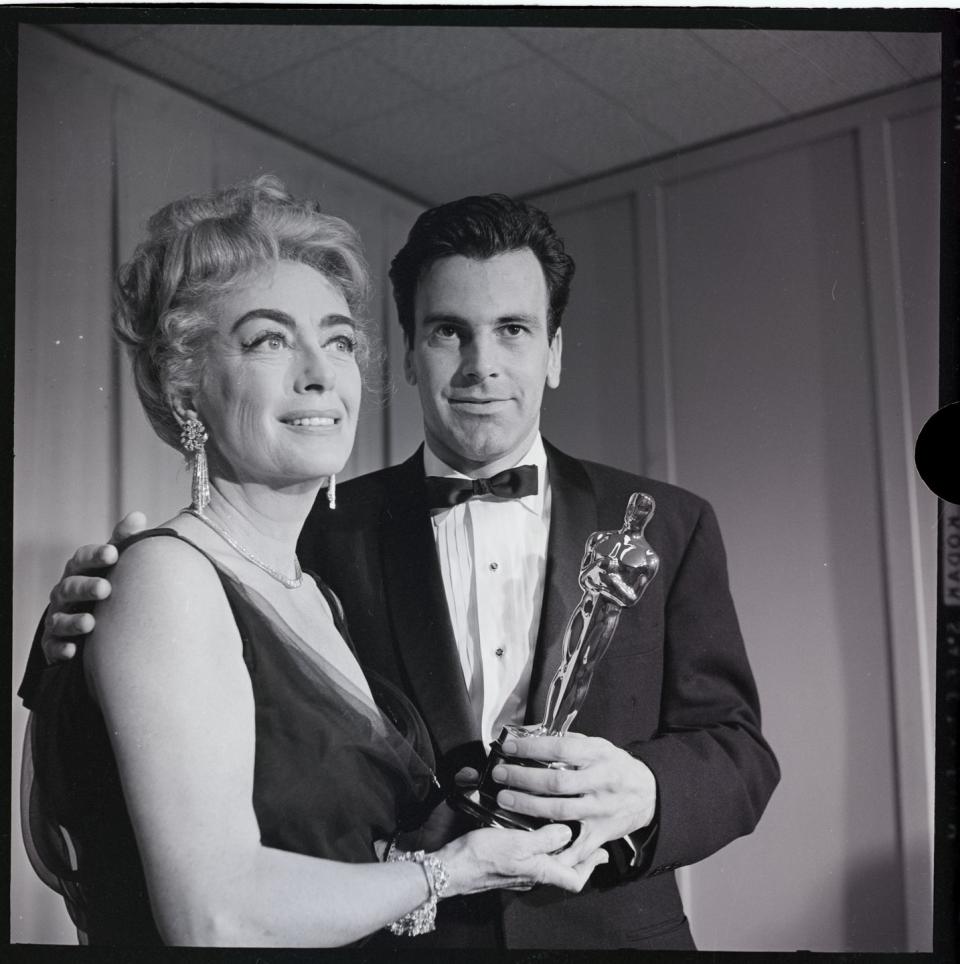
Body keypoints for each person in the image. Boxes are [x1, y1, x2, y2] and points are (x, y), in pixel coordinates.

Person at [25, 192, 780, 950]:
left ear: (554, 352)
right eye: (449, 332)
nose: (483, 366)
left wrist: (646, 791)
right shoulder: (314, 537)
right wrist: (71, 637)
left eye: (513, 331)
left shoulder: (671, 523)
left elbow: (740, 751)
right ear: (413, 355)